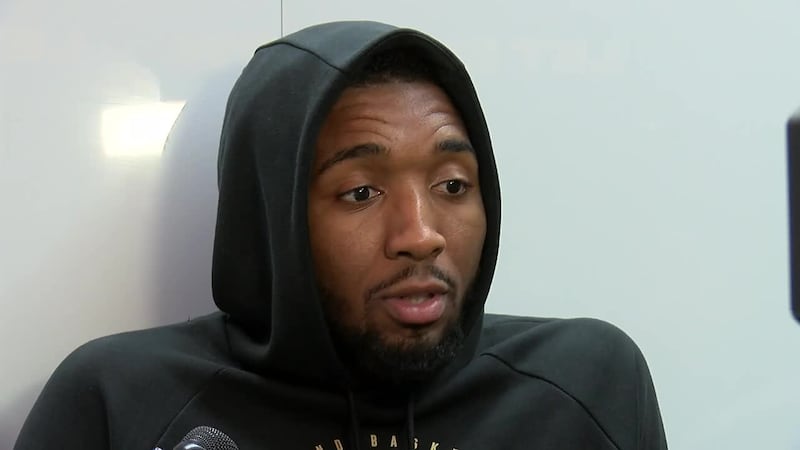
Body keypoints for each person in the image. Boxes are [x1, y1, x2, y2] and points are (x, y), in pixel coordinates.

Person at [14, 21, 667, 450]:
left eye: (452, 185)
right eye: (361, 192)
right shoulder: (121, 401)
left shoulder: (582, 384)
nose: (421, 235)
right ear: (270, 218)